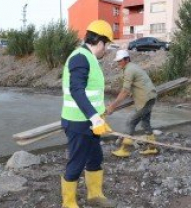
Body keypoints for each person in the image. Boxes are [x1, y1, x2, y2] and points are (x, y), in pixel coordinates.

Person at [60, 20, 116, 208]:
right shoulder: (80, 57)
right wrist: (94, 117)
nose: (105, 49)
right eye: (106, 44)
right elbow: (77, 90)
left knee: (95, 158)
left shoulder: (89, 58)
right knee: (76, 163)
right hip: (78, 122)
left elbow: (91, 94)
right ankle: (68, 204)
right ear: (99, 41)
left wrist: (99, 117)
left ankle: (95, 195)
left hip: (91, 122)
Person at [106, 49, 158, 157]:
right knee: (145, 123)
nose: (118, 63)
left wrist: (112, 106)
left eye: (120, 61)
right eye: (118, 61)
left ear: (126, 59)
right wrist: (133, 92)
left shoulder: (129, 70)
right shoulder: (132, 67)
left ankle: (125, 150)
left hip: (145, 99)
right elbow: (139, 83)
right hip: (150, 97)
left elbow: (124, 91)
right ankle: (152, 148)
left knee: (130, 122)